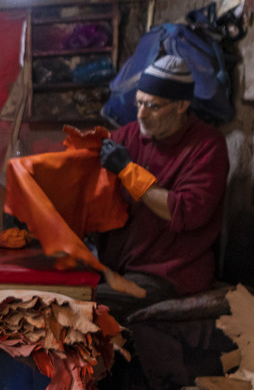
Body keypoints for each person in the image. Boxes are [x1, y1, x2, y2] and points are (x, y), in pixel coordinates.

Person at [94, 54, 229, 319]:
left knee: (81, 305)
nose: (141, 114)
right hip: (120, 265)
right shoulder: (129, 135)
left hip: (168, 275)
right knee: (51, 285)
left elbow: (184, 211)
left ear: (182, 106)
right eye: (139, 103)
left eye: (153, 106)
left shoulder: (207, 146)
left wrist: (127, 170)